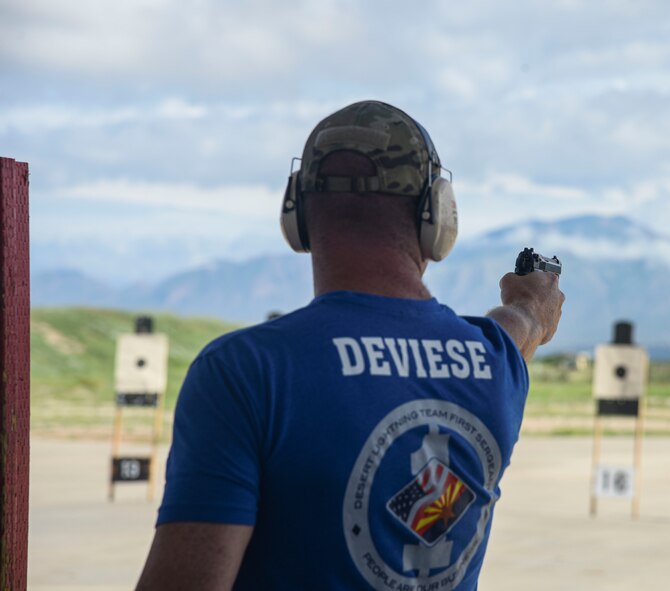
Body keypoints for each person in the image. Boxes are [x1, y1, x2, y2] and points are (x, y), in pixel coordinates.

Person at [136, 100, 564, 590]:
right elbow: (519, 328)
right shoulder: (494, 367)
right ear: (438, 215)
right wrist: (532, 304)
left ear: (295, 210)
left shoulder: (246, 371)